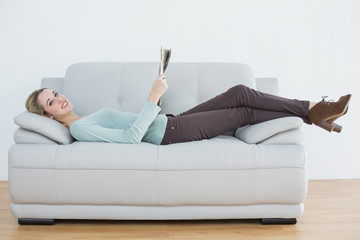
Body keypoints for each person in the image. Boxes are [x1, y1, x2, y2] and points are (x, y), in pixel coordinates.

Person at [25, 74, 351, 145]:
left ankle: (313, 112)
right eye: (51, 102)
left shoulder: (85, 117)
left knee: (239, 92)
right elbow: (130, 138)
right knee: (242, 115)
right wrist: (151, 97)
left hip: (171, 121)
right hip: (169, 133)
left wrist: (157, 103)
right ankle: (314, 111)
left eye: (55, 93)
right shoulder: (78, 129)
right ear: (49, 116)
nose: (59, 98)